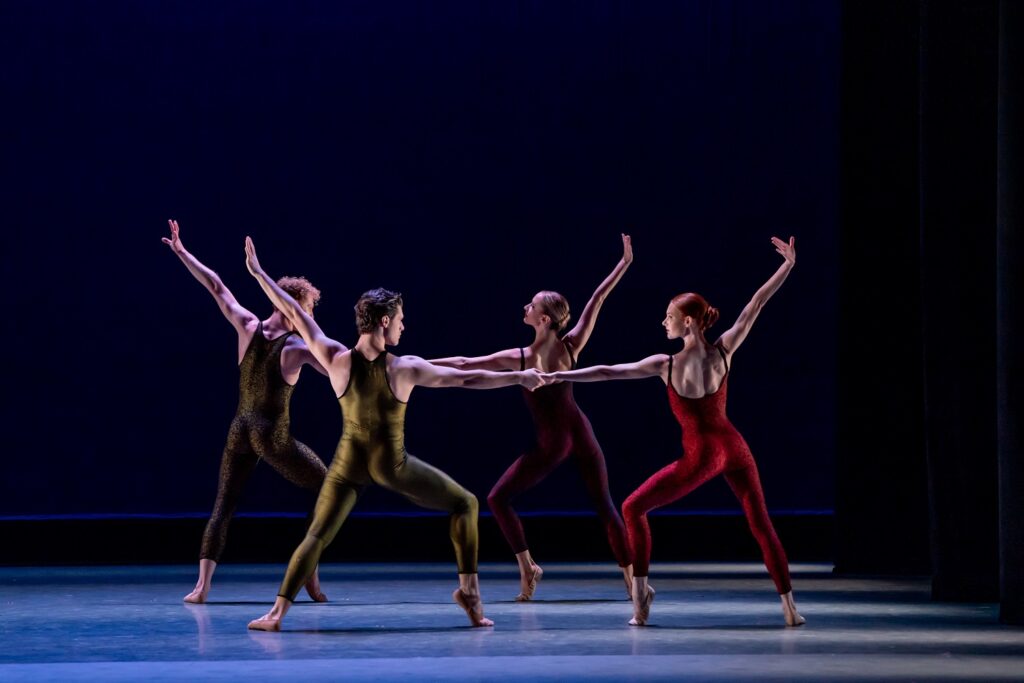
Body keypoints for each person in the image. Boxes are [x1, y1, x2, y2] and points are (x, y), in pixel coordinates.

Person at [242, 237, 547, 631]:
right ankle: (470, 594)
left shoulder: (334, 357)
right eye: (400, 319)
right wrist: (519, 377)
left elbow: (296, 313)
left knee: (316, 535)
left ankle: (276, 614)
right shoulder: (401, 368)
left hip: (347, 464)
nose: (404, 325)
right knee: (467, 504)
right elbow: (466, 378)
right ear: (384, 321)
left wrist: (257, 273)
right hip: (390, 464)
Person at [544, 236, 805, 627]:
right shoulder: (724, 350)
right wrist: (787, 266)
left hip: (704, 455)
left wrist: (559, 374)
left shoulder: (665, 364)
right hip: (735, 447)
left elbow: (607, 372)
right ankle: (790, 609)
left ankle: (641, 598)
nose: (663, 321)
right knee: (760, 523)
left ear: (687, 322)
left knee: (633, 507)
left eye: (668, 316)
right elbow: (756, 304)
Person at [431, 235, 635, 600]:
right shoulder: (571, 346)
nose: (525, 306)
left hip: (554, 442)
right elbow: (598, 299)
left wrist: (411, 366)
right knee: (604, 504)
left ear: (542, 319)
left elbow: (465, 364)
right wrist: (623, 264)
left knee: (497, 499)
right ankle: (633, 581)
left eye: (532, 304)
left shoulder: (523, 358)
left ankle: (529, 568)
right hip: (581, 432)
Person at [161, 220, 332, 604]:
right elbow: (336, 368)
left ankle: (202, 587)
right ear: (288, 307)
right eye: (305, 311)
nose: (309, 319)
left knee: (224, 503)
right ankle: (311, 579)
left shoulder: (247, 325)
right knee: (327, 486)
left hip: (239, 429)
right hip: (272, 435)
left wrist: (182, 251)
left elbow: (217, 286)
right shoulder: (297, 347)